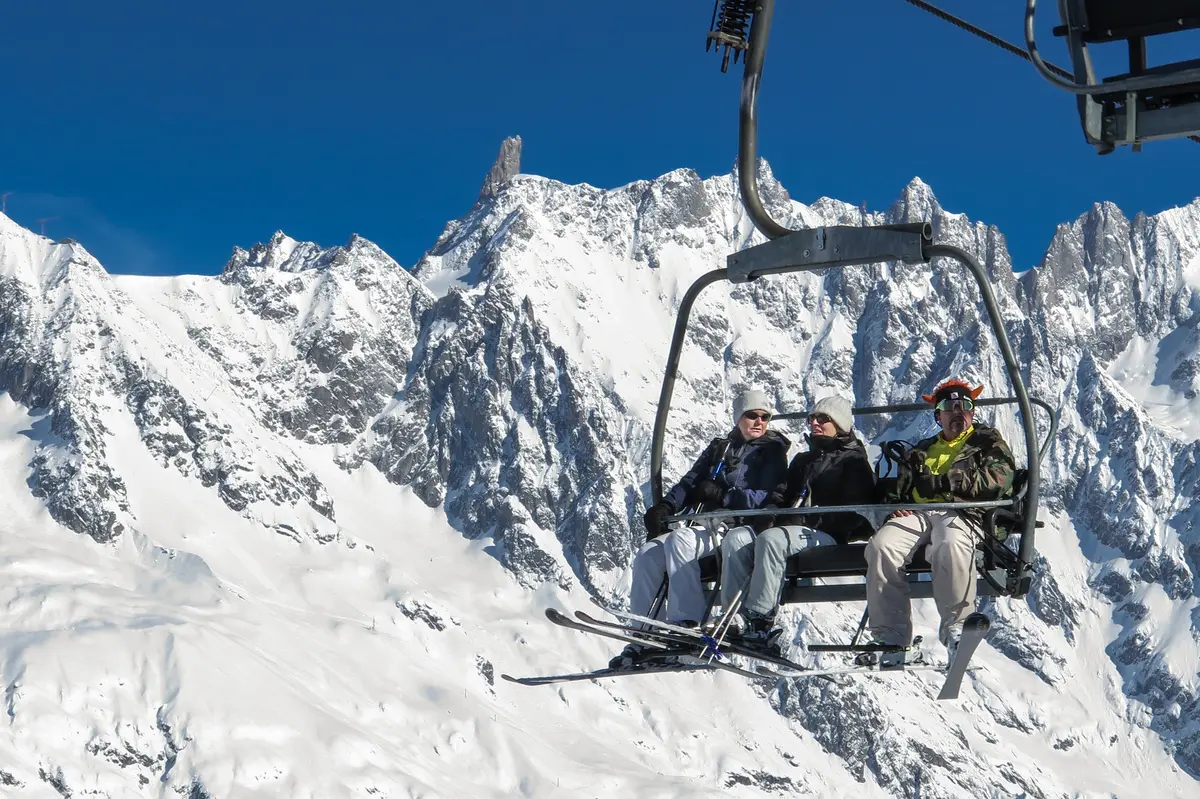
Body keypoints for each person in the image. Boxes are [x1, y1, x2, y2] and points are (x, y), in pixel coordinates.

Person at [609, 389, 789, 669]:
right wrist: (667, 506)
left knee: (680, 540)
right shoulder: (721, 448)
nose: (759, 422)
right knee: (648, 554)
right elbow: (691, 481)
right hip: (706, 524)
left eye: (764, 417)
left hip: (736, 526)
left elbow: (767, 496)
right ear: (739, 417)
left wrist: (725, 496)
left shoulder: (772, 453)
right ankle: (644, 634)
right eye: (752, 415)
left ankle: (686, 623)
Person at [862, 378, 1016, 665]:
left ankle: (956, 626)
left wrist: (947, 482)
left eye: (965, 405)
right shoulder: (922, 450)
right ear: (938, 415)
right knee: (882, 546)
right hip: (919, 514)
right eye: (949, 405)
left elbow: (998, 480)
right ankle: (890, 636)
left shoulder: (986, 443)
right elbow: (897, 490)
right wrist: (892, 508)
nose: (958, 411)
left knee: (950, 542)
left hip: (963, 513)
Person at [719, 395, 877, 655]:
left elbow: (856, 513)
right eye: (812, 418)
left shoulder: (853, 462)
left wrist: (807, 519)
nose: (815, 423)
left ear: (840, 424)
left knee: (772, 540)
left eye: (823, 419)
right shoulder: (804, 460)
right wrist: (769, 514)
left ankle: (761, 621)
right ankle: (733, 619)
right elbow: (781, 495)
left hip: (826, 534)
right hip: (791, 529)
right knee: (737, 538)